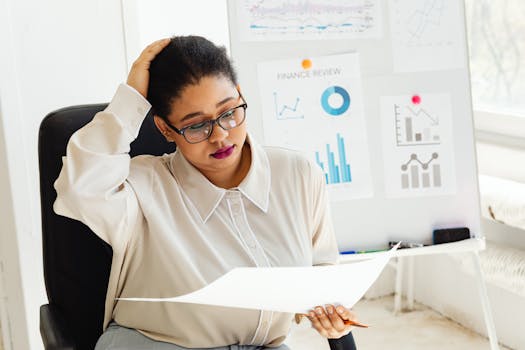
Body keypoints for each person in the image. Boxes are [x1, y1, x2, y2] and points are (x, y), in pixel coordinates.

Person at [54, 36, 358, 349]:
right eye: (197, 125)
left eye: (228, 112)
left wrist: (329, 311)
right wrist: (130, 100)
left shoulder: (297, 173)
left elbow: (322, 273)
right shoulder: (141, 186)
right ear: (166, 130)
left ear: (240, 96)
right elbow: (82, 189)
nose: (220, 135)